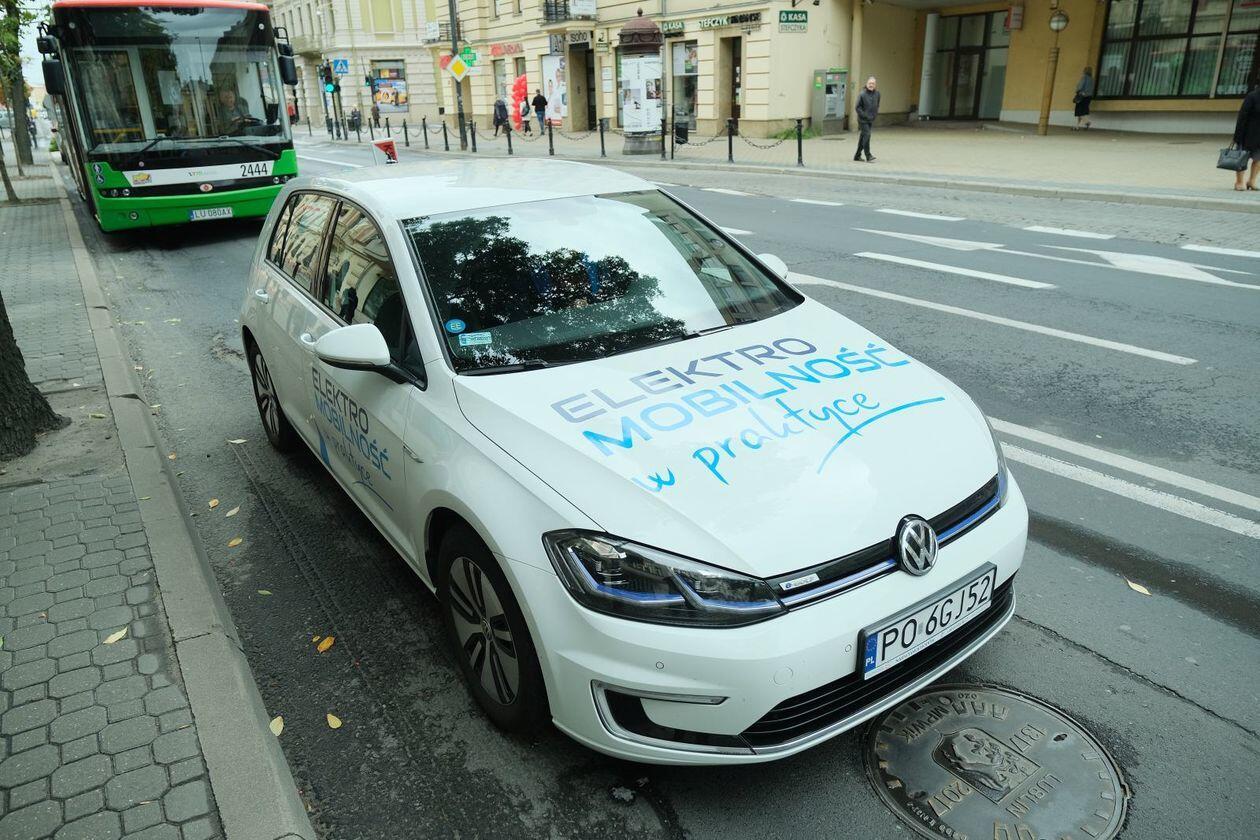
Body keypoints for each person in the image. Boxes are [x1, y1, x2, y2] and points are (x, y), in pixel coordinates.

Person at [1233, 79, 1260, 192]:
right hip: (1248, 134)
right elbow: (1242, 115)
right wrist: (1238, 135)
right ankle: (1239, 182)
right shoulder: (1252, 96)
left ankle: (1251, 181)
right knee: (1242, 158)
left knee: (1258, 159)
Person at [854, 76, 880, 163]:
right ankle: (868, 155)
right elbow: (857, 107)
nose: (871, 85)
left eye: (873, 83)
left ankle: (857, 156)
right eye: (870, 83)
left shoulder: (877, 94)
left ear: (875, 85)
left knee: (863, 137)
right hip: (862, 120)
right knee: (867, 135)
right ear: (866, 84)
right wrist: (865, 115)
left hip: (871, 119)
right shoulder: (862, 94)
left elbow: (877, 105)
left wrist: (874, 114)